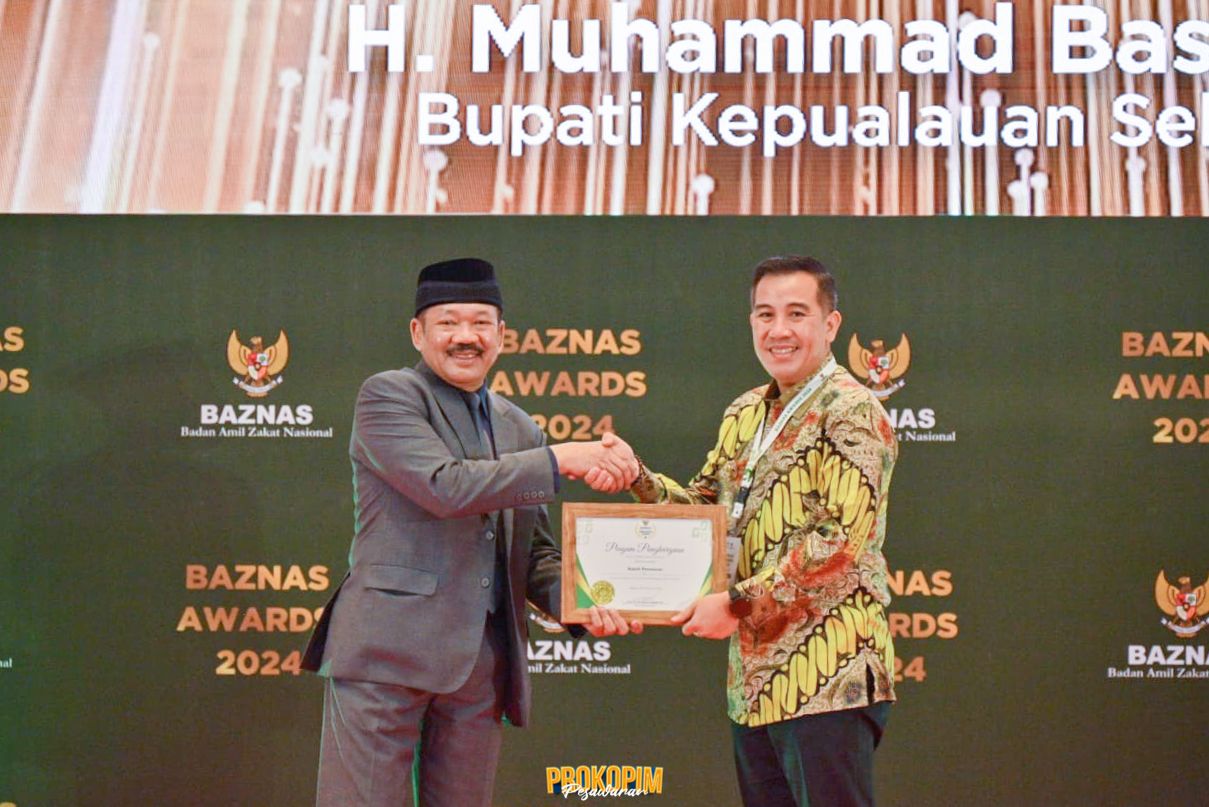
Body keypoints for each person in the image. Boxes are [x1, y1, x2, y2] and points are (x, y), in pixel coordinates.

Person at [303, 257, 641, 807]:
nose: (466, 336)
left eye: (481, 323)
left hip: (481, 667)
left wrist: (584, 600)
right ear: (418, 332)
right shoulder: (389, 395)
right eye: (449, 322)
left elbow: (534, 552)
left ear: (501, 335)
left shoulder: (520, 426)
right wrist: (561, 459)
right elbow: (446, 487)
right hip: (387, 655)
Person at [588, 256, 897, 807]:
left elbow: (839, 543)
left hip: (829, 676)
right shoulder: (745, 412)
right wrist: (638, 478)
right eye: (765, 314)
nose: (778, 330)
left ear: (830, 325)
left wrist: (735, 604)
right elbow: (704, 510)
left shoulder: (852, 410)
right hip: (753, 686)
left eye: (797, 314)